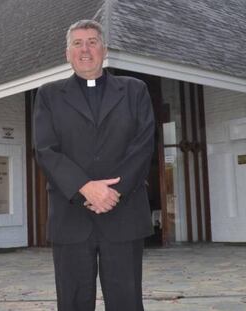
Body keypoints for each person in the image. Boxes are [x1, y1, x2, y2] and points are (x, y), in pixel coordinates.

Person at [34, 19, 155, 311]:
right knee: (73, 303)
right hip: (71, 216)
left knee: (127, 303)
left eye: (92, 42)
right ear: (67, 53)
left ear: (104, 49)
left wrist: (114, 192)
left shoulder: (135, 90)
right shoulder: (49, 95)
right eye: (77, 43)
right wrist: (85, 187)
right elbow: (46, 150)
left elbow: (144, 145)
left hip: (124, 215)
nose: (85, 49)